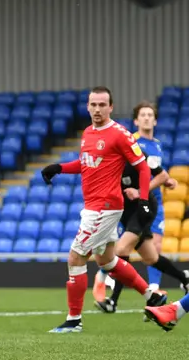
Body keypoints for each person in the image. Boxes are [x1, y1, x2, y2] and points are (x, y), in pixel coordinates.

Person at [40, 86, 167, 334]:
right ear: (88, 106)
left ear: (111, 107)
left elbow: (142, 168)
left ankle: (74, 320)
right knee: (107, 260)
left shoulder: (120, 134)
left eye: (102, 105)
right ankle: (151, 296)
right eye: (93, 104)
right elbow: (85, 164)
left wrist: (143, 199)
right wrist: (59, 167)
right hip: (93, 207)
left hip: (105, 207)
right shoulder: (88, 133)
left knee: (76, 257)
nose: (97, 109)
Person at [93, 101, 184, 313]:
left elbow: (157, 172)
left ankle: (123, 296)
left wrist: (165, 181)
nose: (146, 118)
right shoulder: (132, 142)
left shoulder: (157, 145)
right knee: (150, 255)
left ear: (155, 119)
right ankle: (180, 281)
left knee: (137, 250)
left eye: (149, 115)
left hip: (149, 203)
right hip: (134, 205)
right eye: (142, 115)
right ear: (136, 120)